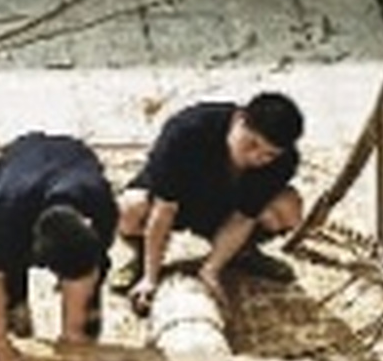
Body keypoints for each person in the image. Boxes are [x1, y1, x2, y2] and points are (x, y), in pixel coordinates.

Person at [110, 91, 305, 317]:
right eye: (251, 143)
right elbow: (164, 209)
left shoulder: (284, 161)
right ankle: (143, 258)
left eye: (268, 155)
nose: (256, 158)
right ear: (239, 119)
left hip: (226, 208)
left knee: (288, 209)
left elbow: (244, 217)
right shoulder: (187, 130)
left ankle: (242, 253)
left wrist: (211, 270)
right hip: (180, 201)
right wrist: (150, 278)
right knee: (127, 210)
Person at [0, 131, 117, 361]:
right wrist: (0, 347)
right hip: (21, 162)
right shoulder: (4, 218)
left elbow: (83, 289)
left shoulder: (101, 208)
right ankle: (19, 329)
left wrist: (73, 340)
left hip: (74, 159)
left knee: (87, 322)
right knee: (9, 293)